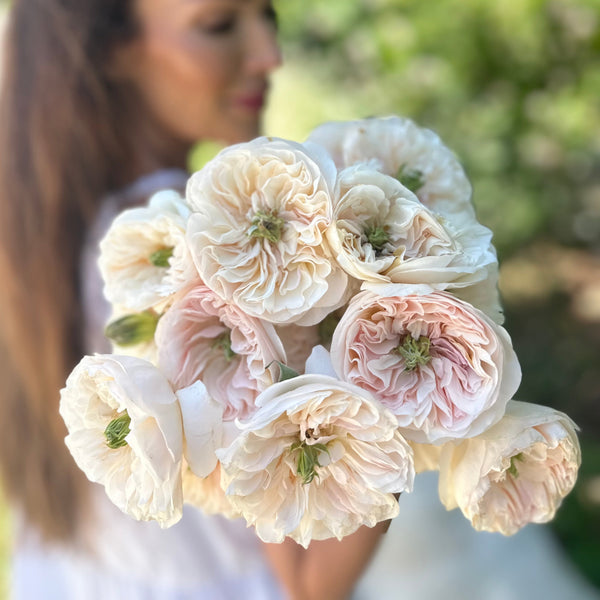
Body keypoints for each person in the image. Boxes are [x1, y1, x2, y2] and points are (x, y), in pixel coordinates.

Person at [0, 1, 392, 598]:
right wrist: (403, 372)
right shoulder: (211, 261)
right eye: (219, 26)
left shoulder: (42, 237)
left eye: (269, 16)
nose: (269, 54)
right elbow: (310, 583)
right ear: (114, 51)